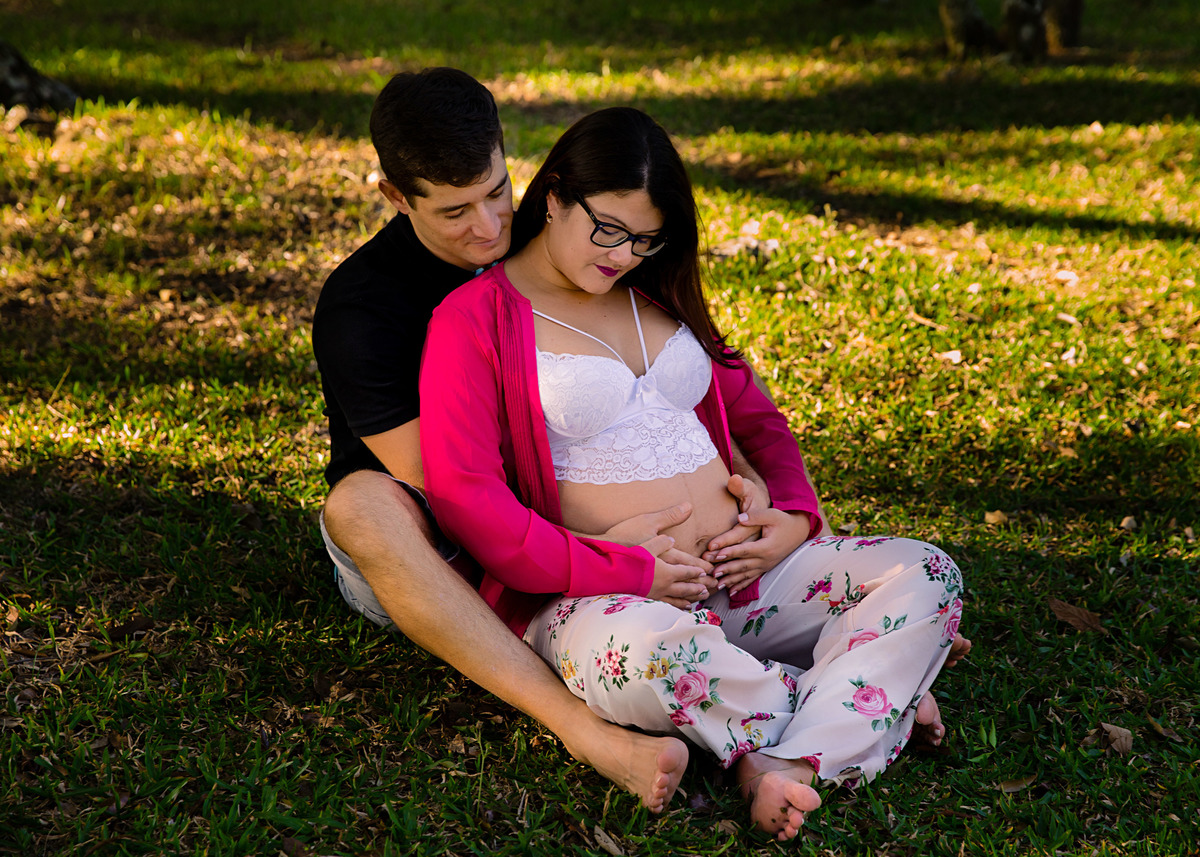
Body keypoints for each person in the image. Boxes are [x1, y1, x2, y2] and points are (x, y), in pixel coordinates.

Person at [418, 107, 967, 840]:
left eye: (645, 238)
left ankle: (787, 760)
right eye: (607, 227)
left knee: (926, 572)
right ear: (552, 194)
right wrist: (625, 567)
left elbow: (760, 423)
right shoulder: (474, 319)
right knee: (652, 658)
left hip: (744, 578)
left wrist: (794, 519)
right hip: (600, 599)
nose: (622, 253)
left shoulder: (658, 294)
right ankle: (859, 706)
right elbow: (468, 496)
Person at [313, 68, 800, 814]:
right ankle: (582, 728)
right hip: (444, 545)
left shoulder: (575, 234)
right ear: (394, 196)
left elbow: (682, 375)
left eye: (495, 190)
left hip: (602, 527)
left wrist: (731, 471)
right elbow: (456, 493)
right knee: (359, 506)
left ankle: (834, 657)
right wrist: (606, 543)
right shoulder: (362, 309)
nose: (486, 226)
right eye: (453, 211)